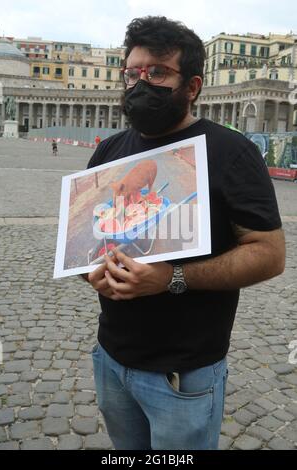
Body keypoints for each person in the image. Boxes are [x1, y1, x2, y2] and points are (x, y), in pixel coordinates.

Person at [82, 16, 285, 450]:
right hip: (111, 357)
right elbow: (92, 239)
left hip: (185, 371)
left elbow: (269, 253)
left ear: (192, 87)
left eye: (157, 72)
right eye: (133, 72)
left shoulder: (233, 152)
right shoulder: (108, 150)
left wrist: (171, 277)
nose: (141, 82)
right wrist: (90, 271)